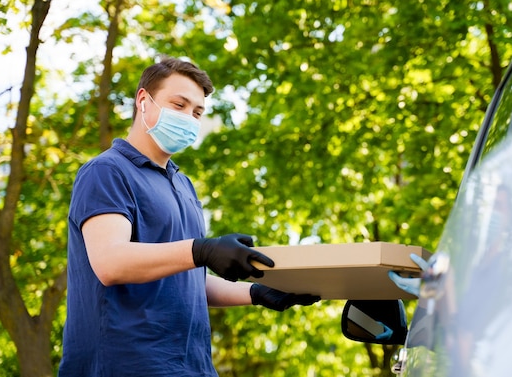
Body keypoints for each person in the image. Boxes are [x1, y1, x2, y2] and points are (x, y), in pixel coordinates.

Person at [58, 57, 320, 377]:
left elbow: (185, 280)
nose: (188, 118)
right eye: (178, 104)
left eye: (197, 112)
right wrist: (202, 250)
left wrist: (257, 293)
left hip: (193, 367)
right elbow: (111, 262)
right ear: (144, 101)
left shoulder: (182, 184)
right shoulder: (106, 171)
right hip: (124, 365)